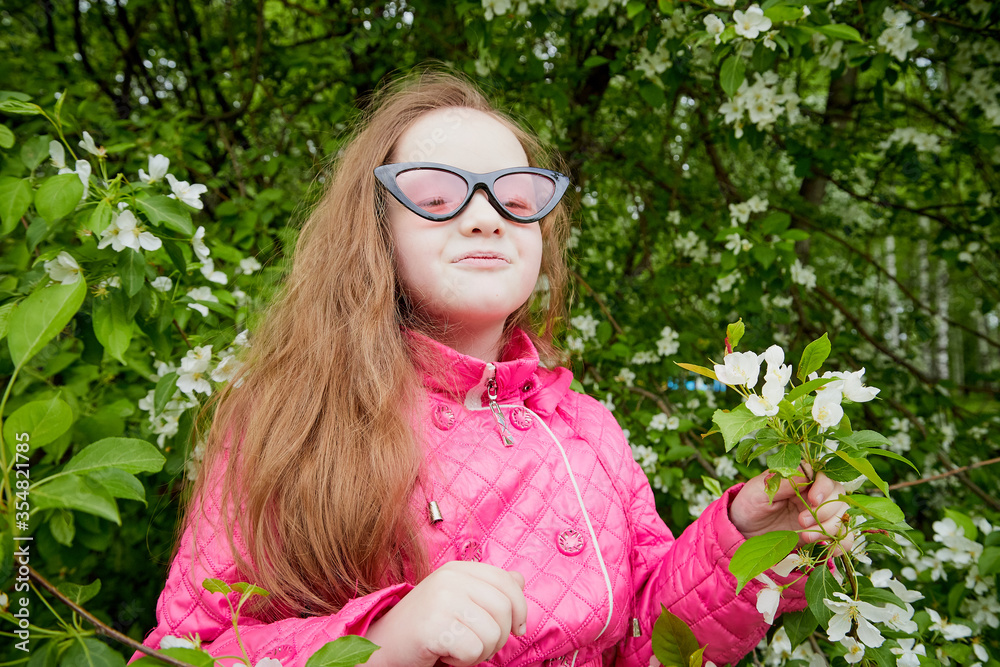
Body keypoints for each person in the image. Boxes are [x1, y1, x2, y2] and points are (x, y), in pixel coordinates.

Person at [132, 70, 849, 667]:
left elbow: (644, 643)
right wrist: (386, 640)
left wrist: (746, 544)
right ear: (374, 232)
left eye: (515, 197)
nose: (485, 217)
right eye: (436, 196)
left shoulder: (588, 430)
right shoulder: (294, 418)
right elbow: (185, 651)